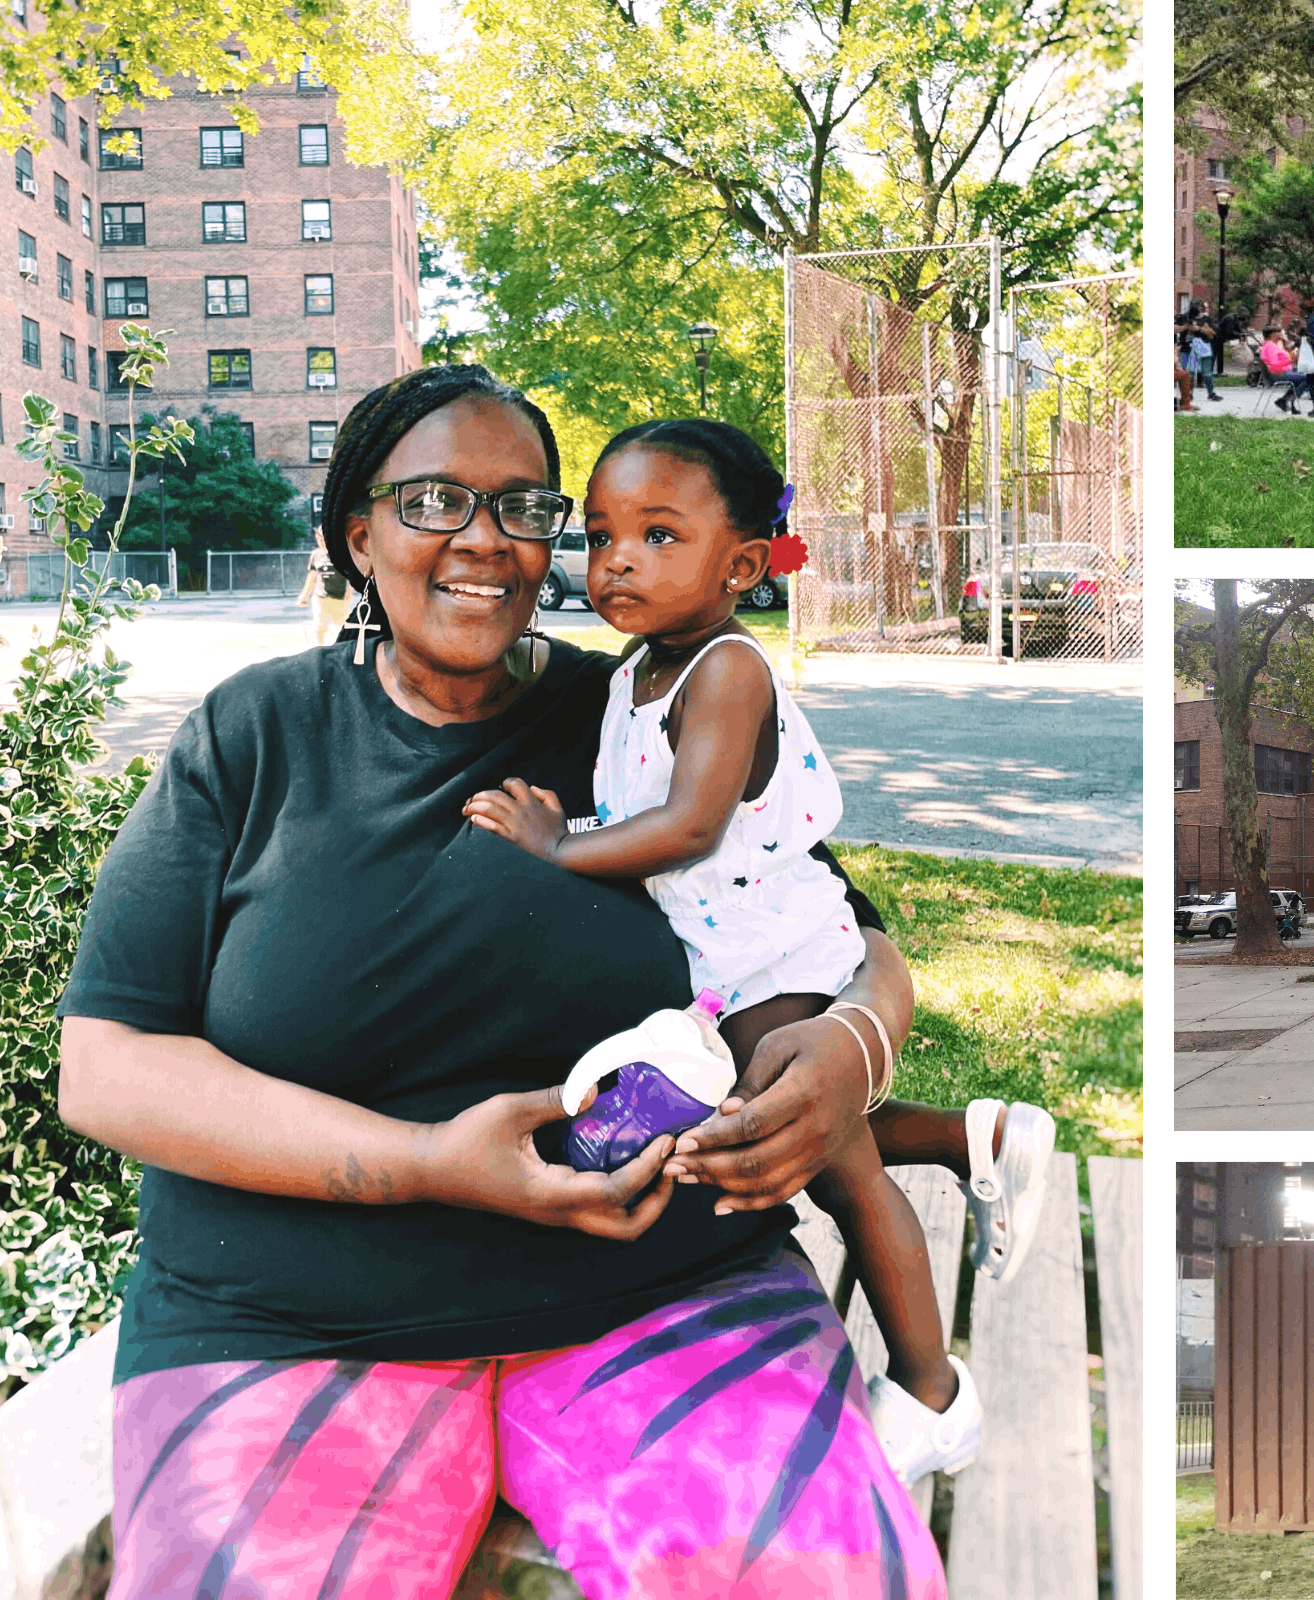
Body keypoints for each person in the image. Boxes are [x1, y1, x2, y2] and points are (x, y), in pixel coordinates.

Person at [54, 363, 1026, 1598]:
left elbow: (843, 933)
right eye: (433, 502)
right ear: (358, 532)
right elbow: (111, 1067)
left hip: (666, 1292)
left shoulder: (639, 703)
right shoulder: (252, 736)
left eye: (522, 508)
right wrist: (419, 1162)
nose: (483, 540)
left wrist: (848, 1056)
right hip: (290, 1320)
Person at [463, 418, 1057, 1484]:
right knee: (818, 1132)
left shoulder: (726, 670)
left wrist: (557, 845)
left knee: (840, 1170)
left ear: (740, 566)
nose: (617, 561)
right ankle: (983, 1137)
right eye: (600, 537)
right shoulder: (637, 672)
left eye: (655, 535)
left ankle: (930, 1394)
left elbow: (689, 826)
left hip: (772, 953)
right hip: (724, 952)